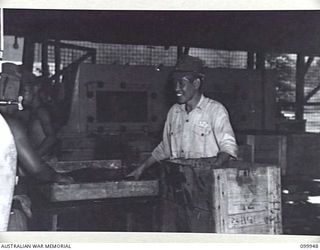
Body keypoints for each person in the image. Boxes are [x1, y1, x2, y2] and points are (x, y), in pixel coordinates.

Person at [127, 55, 238, 180]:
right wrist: (142, 168)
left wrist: (211, 171)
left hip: (205, 182)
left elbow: (228, 146)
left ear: (196, 83)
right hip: (180, 182)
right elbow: (166, 147)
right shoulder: (174, 112)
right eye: (175, 83)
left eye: (182, 83)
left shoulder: (215, 111)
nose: (176, 88)